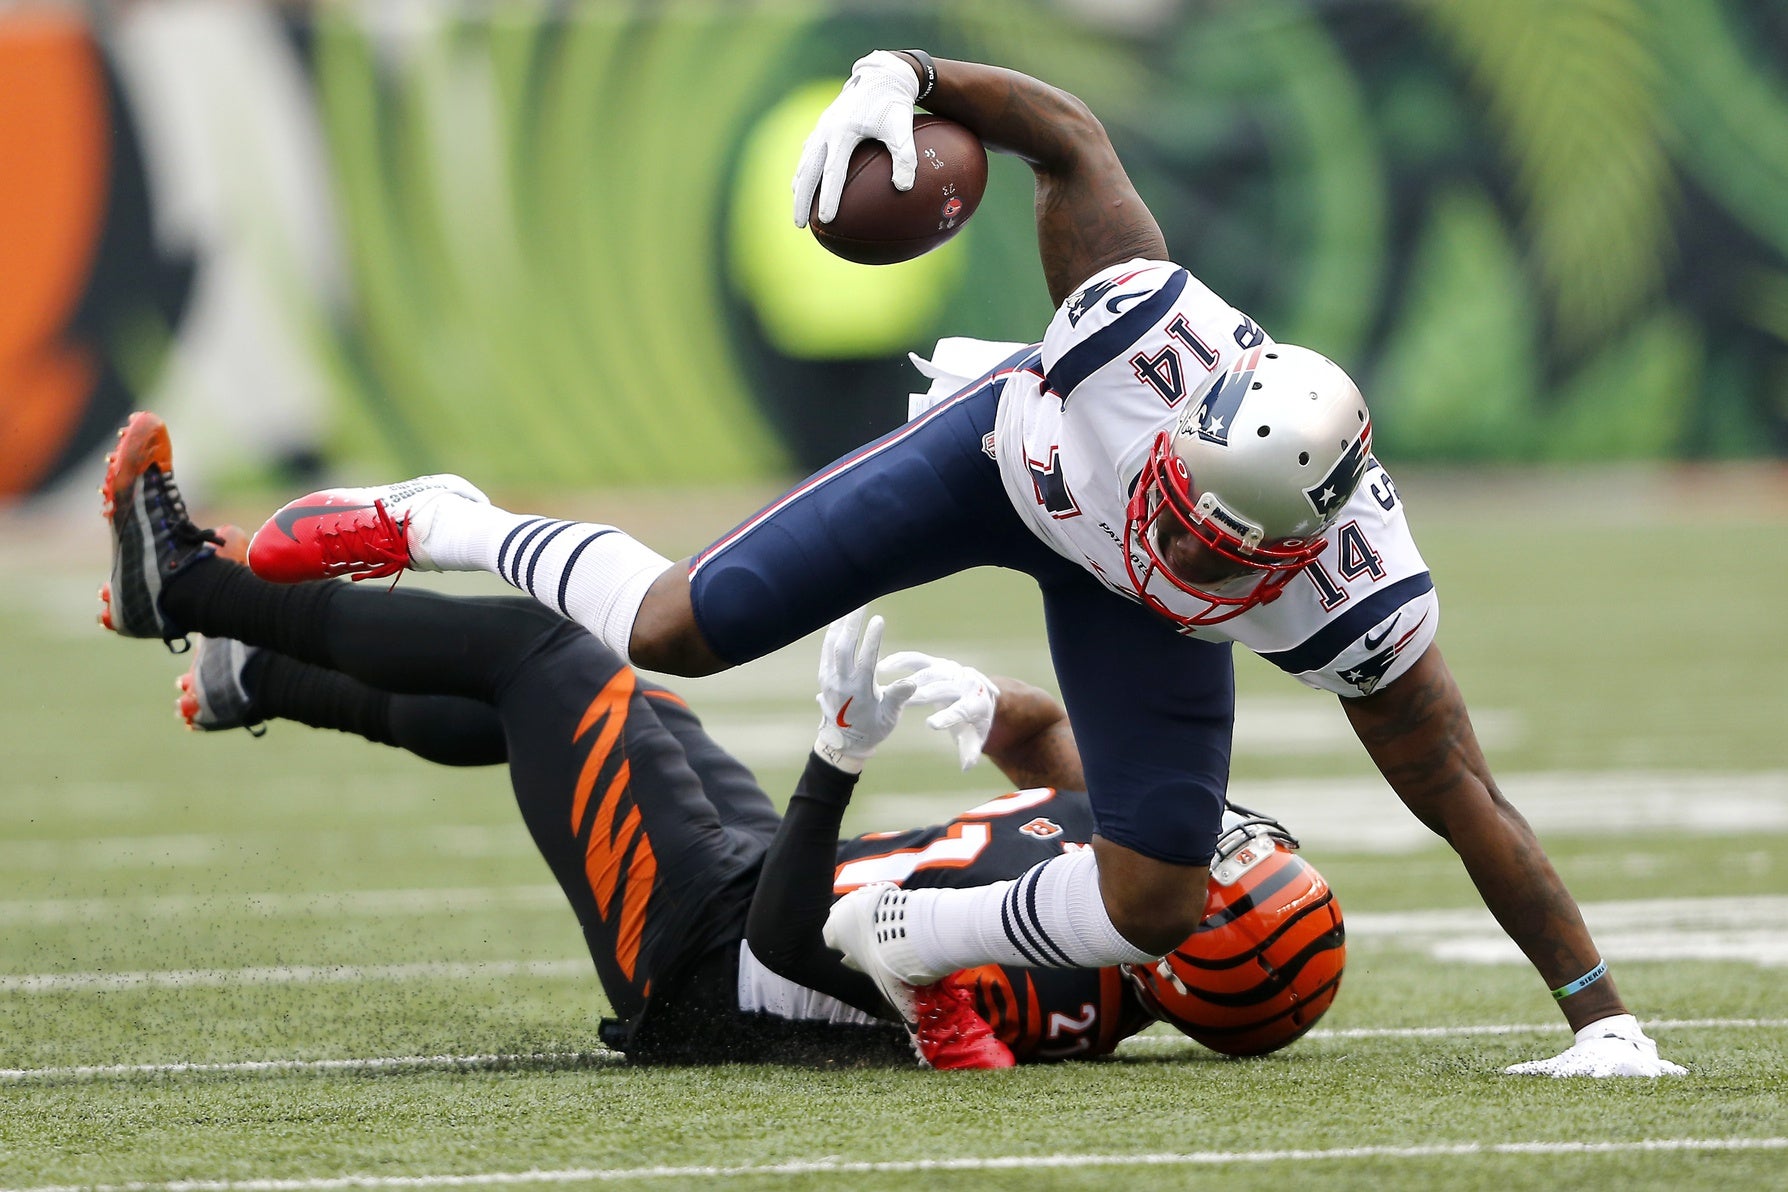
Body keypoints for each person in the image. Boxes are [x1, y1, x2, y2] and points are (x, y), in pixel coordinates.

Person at [230, 53, 1678, 1077]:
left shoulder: (1354, 595)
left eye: (1226, 547)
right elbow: (1066, 135)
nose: (1187, 544)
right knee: (672, 630)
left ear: (1302, 548)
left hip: (1121, 607)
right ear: (1182, 429)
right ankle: (448, 519)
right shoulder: (1137, 332)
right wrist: (907, 76)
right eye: (1187, 510)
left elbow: (1462, 796)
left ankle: (908, 937)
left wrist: (1601, 1015)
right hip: (1004, 463)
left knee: (1159, 900)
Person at [100, 411, 1346, 1068]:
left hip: (704, 954)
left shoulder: (1049, 979)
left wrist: (835, 760)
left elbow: (790, 947)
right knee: (610, 702)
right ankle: (260, 673)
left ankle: (190, 586)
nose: (1222, 838)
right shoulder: (1131, 899)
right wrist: (1008, 708)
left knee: (550, 660)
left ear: (1181, 950)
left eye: (1227, 869)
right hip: (747, 882)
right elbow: (1069, 773)